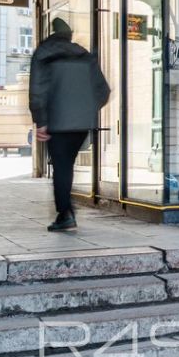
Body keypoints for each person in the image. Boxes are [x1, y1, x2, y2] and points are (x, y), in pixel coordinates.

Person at [28, 18, 110, 232]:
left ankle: (65, 214)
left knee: (62, 167)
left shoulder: (43, 54)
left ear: (52, 33)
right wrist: (87, 110)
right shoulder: (84, 55)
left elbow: (38, 90)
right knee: (66, 166)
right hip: (81, 124)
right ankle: (66, 210)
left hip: (57, 123)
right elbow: (103, 91)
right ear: (69, 35)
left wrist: (41, 121)